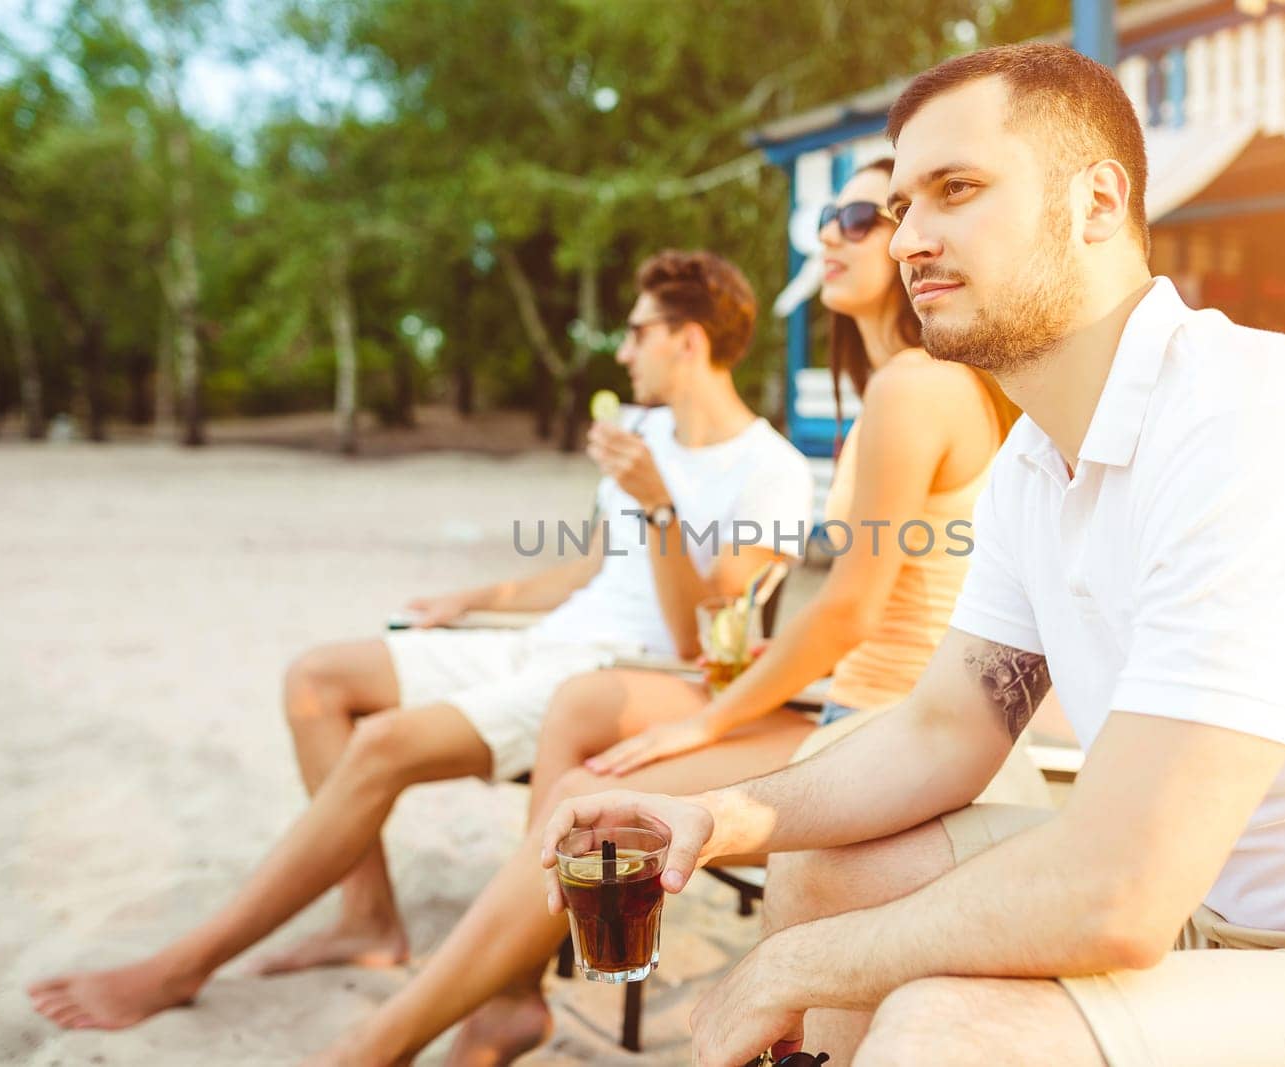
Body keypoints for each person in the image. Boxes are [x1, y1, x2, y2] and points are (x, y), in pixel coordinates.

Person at [540, 44, 1285, 1067]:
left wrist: (796, 968)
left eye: (955, 191)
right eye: (899, 210)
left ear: (1096, 201)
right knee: (823, 875)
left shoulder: (1251, 417)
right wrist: (712, 816)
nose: (909, 239)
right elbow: (943, 726)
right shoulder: (1035, 457)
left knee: (946, 1028)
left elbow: (1118, 889)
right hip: (1213, 907)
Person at [299, 158, 1046, 1067]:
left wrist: (704, 722)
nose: (838, 235)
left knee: (586, 796)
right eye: (841, 216)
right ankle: (508, 989)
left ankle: (380, 1044)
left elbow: (848, 612)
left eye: (868, 214)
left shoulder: (916, 386)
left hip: (887, 719)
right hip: (849, 699)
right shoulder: (887, 389)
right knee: (582, 704)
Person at [26, 249, 815, 1032]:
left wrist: (661, 501)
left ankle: (184, 963)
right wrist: (478, 598)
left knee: (383, 743)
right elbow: (598, 566)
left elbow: (701, 632)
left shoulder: (770, 469)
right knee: (317, 678)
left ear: (688, 339)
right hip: (549, 639)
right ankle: (367, 919)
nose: (622, 349)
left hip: (624, 674)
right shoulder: (642, 429)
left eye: (637, 331)